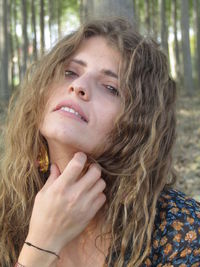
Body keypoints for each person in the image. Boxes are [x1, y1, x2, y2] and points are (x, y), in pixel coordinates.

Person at [0, 18, 199, 267]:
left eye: (110, 87)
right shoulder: (5, 209)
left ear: (140, 123)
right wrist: (40, 247)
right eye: (70, 72)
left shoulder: (179, 228)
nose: (78, 86)